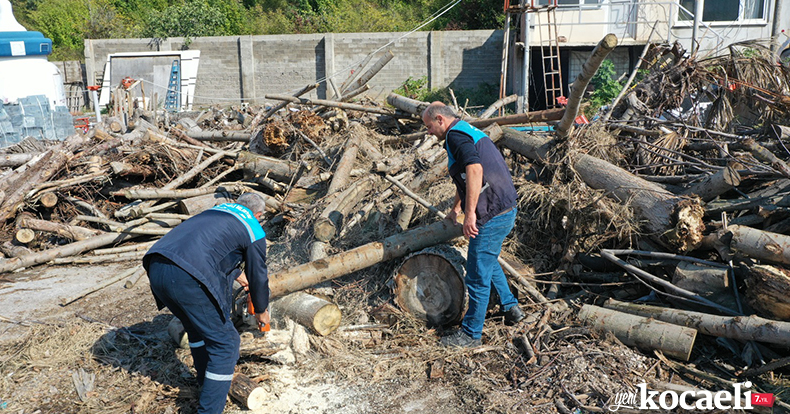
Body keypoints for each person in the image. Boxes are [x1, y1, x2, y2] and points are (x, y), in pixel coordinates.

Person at [143, 192, 270, 413]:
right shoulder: (253, 227)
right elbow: (259, 275)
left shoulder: (215, 211)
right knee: (227, 343)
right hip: (187, 275)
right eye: (259, 218)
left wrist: (235, 273)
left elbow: (208, 247)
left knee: (195, 328)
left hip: (156, 265)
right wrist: (261, 309)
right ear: (257, 214)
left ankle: (205, 382)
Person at [422, 102, 525, 348]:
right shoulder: (466, 130)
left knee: (477, 274)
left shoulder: (456, 136)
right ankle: (511, 309)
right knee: (487, 262)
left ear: (439, 119)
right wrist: (456, 209)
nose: (428, 132)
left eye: (428, 126)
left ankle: (470, 335)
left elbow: (475, 170)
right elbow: (467, 179)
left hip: (492, 213)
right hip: (504, 207)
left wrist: (470, 216)